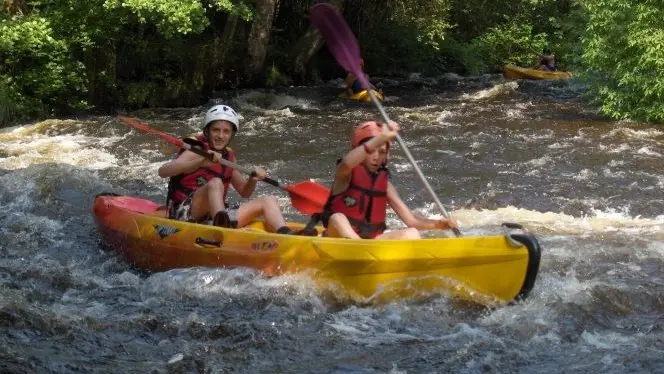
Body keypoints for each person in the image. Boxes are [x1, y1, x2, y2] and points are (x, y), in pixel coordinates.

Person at [158, 104, 307, 235]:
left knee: (268, 199)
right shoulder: (195, 151)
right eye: (216, 130)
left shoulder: (228, 157)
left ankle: (285, 233)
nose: (220, 136)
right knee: (215, 182)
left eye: (226, 131)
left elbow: (244, 192)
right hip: (185, 212)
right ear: (207, 132)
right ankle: (222, 229)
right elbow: (163, 171)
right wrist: (200, 162)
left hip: (215, 214)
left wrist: (252, 179)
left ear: (231, 134)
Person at [320, 120, 458, 239]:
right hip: (337, 238)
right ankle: (358, 248)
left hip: (370, 243)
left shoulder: (385, 185)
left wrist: (439, 224)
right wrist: (381, 138)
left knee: (411, 233)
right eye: (372, 150)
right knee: (337, 218)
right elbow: (347, 163)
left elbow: (412, 221)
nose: (376, 157)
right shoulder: (345, 174)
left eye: (381, 152)